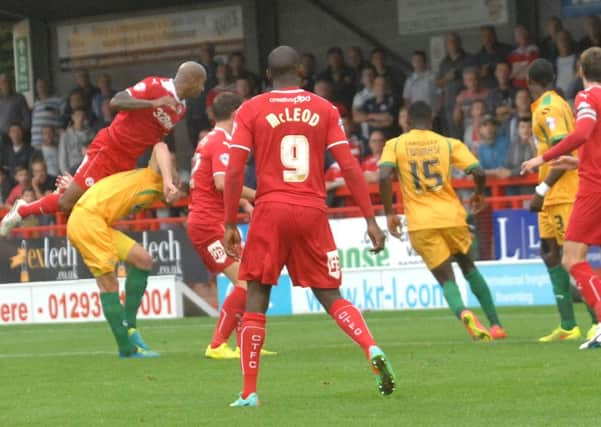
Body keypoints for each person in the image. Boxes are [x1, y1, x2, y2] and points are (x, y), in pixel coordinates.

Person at [222, 45, 395, 407]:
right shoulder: (325, 109)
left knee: (257, 295)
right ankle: (371, 346)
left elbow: (235, 169)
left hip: (270, 210)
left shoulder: (251, 109)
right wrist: (370, 220)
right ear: (302, 71)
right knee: (330, 294)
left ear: (268, 75)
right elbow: (349, 166)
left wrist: (229, 223)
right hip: (313, 209)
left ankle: (249, 392)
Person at [0, 61, 207, 236]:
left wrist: (170, 172)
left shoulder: (180, 109)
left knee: (103, 207)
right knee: (66, 203)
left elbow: (158, 140)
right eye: (202, 83)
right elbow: (117, 101)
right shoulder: (155, 85)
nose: (203, 89)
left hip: (127, 161)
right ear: (191, 81)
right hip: (109, 148)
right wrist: (154, 103)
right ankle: (23, 209)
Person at [379, 101, 506, 341]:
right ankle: (497, 325)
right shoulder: (449, 143)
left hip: (421, 222)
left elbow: (384, 174)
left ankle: (465, 313)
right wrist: (479, 194)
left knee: (446, 278)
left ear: (407, 121)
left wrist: (389, 212)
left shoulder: (395, 144)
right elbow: (477, 171)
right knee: (469, 268)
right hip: (452, 216)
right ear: (432, 119)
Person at [522, 47, 601, 349]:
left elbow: (580, 135)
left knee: (571, 258)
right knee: (561, 255)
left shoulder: (585, 98)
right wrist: (578, 162)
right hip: (588, 176)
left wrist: (543, 159)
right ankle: (572, 324)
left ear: (580, 72)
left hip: (588, 189)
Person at [67, 142, 177, 358]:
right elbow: (161, 146)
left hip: (98, 221)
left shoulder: (156, 192)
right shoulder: (153, 174)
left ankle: (130, 327)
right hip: (88, 220)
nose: (176, 185)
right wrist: (168, 179)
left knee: (143, 259)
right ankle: (126, 349)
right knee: (110, 283)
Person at [186, 92, 275, 359]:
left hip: (211, 220)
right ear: (237, 114)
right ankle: (216, 345)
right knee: (246, 283)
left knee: (254, 277)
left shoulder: (210, 140)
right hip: (207, 224)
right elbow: (224, 183)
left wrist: (246, 205)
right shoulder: (222, 142)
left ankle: (246, 343)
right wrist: (259, 195)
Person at [58, 107, 94, 174]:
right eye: (78, 115)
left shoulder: (91, 133)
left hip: (87, 169)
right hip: (72, 170)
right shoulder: (65, 136)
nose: (80, 118)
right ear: (73, 117)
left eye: (82, 116)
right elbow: (62, 158)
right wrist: (66, 175)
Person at [30, 78, 63, 148]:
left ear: (48, 87)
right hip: (36, 142)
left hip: (51, 142)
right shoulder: (36, 103)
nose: (42, 88)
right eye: (39, 86)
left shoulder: (58, 101)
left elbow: (64, 119)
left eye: (44, 86)